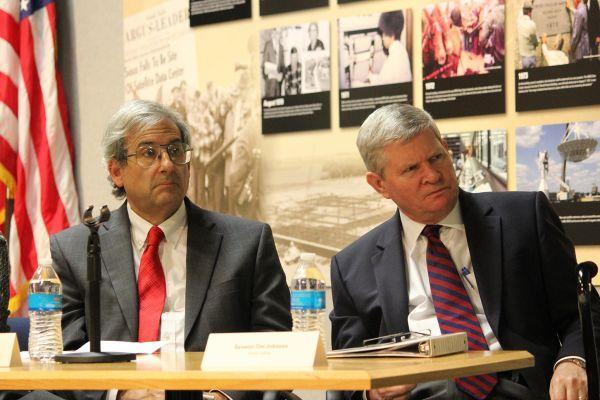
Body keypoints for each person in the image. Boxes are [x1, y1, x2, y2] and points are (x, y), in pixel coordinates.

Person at [330, 104, 590, 400]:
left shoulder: (525, 217)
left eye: (436, 157)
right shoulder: (351, 267)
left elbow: (582, 313)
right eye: (411, 168)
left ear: (445, 148)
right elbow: (346, 370)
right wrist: (372, 392)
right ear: (379, 184)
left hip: (515, 387)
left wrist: (572, 361)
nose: (432, 174)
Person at [50, 100, 292, 400]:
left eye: (176, 151)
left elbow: (276, 344)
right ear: (116, 171)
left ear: (188, 165)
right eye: (149, 153)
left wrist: (225, 395)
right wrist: (118, 393)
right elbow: (67, 353)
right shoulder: (77, 249)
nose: (167, 164)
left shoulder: (247, 242)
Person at [368, 11, 412, 85]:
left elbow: (380, 83)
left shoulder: (393, 59)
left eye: (384, 34)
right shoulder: (401, 50)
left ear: (392, 35)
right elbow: (384, 79)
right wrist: (372, 77)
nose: (382, 38)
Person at [262, 29, 284, 97]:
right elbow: (263, 65)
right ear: (273, 33)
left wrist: (282, 75)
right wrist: (267, 75)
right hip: (270, 83)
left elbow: (283, 66)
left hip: (278, 83)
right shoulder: (268, 45)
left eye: (280, 33)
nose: (279, 35)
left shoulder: (281, 47)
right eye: (277, 33)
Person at [517, 1, 538, 69]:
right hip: (531, 58)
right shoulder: (532, 24)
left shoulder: (519, 22)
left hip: (523, 58)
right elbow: (535, 42)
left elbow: (521, 11)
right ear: (530, 12)